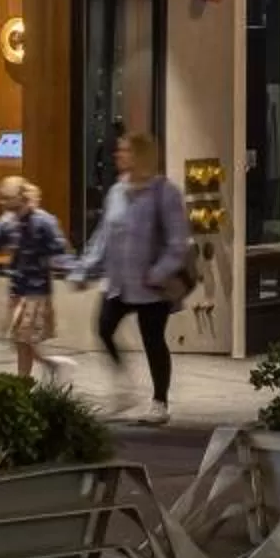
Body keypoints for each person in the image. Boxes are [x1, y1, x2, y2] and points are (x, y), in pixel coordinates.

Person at [72, 131, 190, 426]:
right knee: (104, 328)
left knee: (153, 340)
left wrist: (159, 272)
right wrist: (84, 268)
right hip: (119, 283)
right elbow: (103, 237)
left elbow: (178, 243)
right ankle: (124, 388)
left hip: (152, 286)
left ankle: (160, 403)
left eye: (124, 150)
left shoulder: (165, 192)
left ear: (141, 155)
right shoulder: (116, 191)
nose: (117, 155)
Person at [0, 178, 71, 381]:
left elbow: (59, 250)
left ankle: (24, 382)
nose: (4, 206)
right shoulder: (7, 221)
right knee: (19, 340)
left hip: (36, 291)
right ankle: (50, 364)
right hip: (17, 288)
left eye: (8, 201)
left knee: (23, 339)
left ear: (21, 198)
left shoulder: (44, 221)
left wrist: (73, 268)